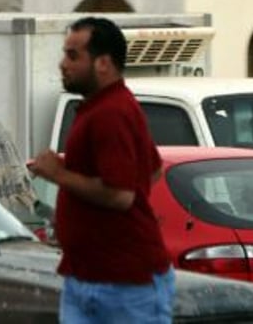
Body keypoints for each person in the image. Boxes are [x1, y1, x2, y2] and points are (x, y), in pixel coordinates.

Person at [28, 17, 173, 323]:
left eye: (73, 55)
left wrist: (58, 174)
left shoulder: (112, 112)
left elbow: (121, 196)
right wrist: (69, 172)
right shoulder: (108, 106)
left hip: (125, 286)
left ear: (103, 63)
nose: (62, 64)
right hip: (87, 277)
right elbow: (152, 171)